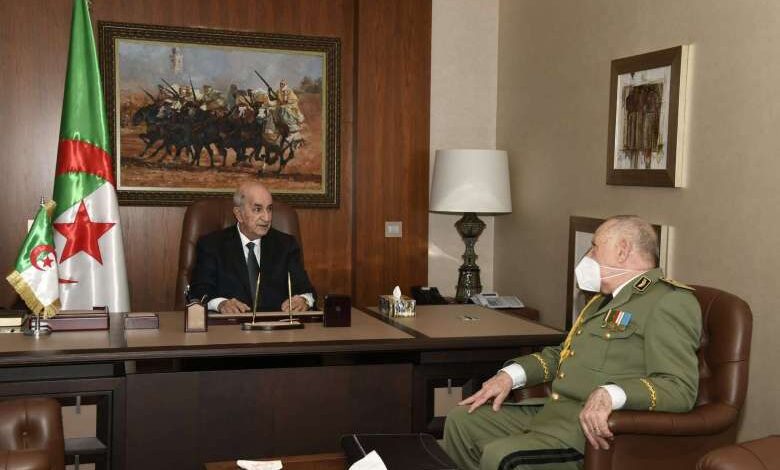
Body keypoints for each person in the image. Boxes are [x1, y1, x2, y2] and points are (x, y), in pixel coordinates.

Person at [443, 215, 702, 470]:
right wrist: (510, 376)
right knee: (461, 421)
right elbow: (563, 355)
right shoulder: (602, 300)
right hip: (554, 412)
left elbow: (678, 388)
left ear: (622, 251)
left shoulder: (669, 301)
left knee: (500, 455)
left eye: (595, 247)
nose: (588, 255)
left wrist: (611, 394)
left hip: (587, 430)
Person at [189, 182, 315, 313]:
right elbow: (199, 290)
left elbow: (305, 290)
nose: (267, 218)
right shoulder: (212, 245)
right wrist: (221, 304)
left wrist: (303, 300)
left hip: (276, 323)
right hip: (231, 323)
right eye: (257, 209)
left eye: (269, 209)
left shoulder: (286, 245)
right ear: (239, 214)